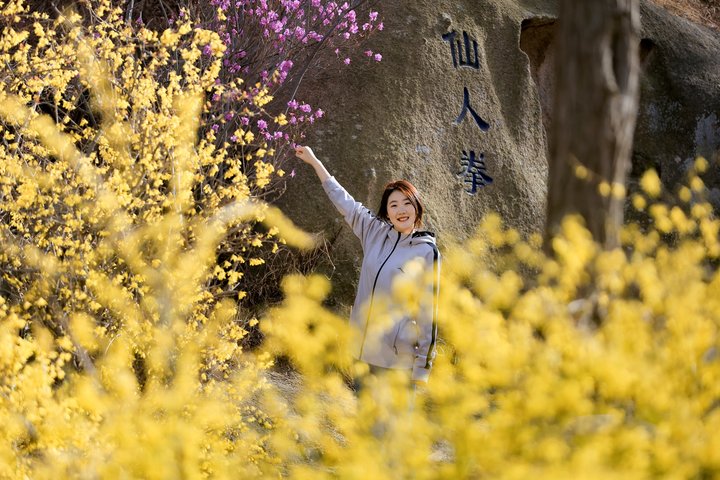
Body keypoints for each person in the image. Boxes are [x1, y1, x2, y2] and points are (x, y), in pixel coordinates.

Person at [294, 146, 440, 387]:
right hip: (362, 354)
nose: (401, 210)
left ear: (417, 207)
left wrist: (422, 369)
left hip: (398, 364)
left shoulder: (426, 251)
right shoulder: (374, 232)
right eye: (393, 205)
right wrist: (315, 162)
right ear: (387, 212)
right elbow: (344, 201)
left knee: (395, 426)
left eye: (407, 203)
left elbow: (428, 312)